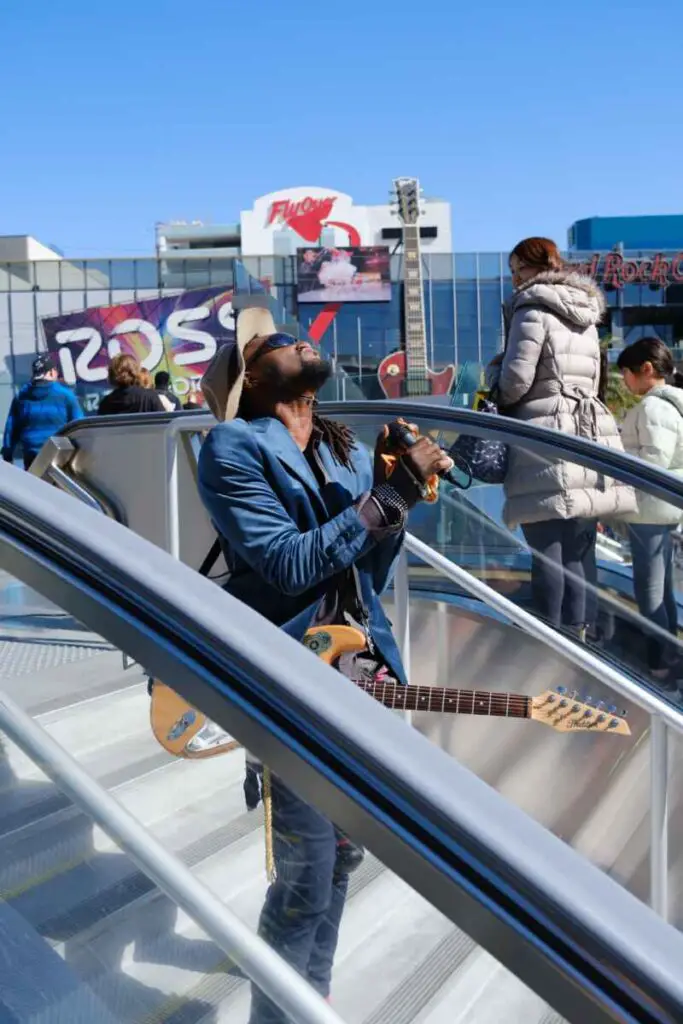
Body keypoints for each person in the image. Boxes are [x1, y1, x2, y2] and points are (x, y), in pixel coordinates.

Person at [197, 302, 449, 1024]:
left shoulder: (339, 444)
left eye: (292, 331)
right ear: (250, 377)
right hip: (289, 676)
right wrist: (387, 496)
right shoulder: (233, 446)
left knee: (344, 854)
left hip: (360, 666)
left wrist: (391, 489)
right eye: (269, 341)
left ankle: (314, 996)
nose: (292, 337)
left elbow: (366, 562)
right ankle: (278, 1014)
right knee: (304, 872)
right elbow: (285, 565)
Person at [487, 237, 635, 635]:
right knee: (577, 549)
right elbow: (596, 379)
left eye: (519, 269)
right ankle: (582, 638)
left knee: (547, 549)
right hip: (587, 433)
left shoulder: (532, 307)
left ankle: (550, 641)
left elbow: (517, 380)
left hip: (544, 434)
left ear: (539, 267)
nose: (514, 278)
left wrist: (493, 385)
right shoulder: (586, 313)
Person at [617, 338, 683, 684]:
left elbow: (653, 461)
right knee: (663, 588)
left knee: (650, 589)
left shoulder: (653, 408)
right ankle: (670, 654)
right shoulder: (674, 403)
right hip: (664, 508)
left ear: (645, 370)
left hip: (649, 508)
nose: (625, 381)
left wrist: (618, 457)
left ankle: (663, 661)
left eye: (626, 373)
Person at [2, 353, 84, 470]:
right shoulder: (66, 395)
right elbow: (79, 425)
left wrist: (7, 456)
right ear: (50, 372)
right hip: (60, 455)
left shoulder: (21, 396)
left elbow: (11, 430)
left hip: (31, 456)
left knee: (33, 487)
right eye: (55, 370)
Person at [98, 355, 165, 415]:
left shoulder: (105, 403)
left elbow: (101, 428)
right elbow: (165, 423)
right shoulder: (149, 397)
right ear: (135, 371)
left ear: (111, 374)